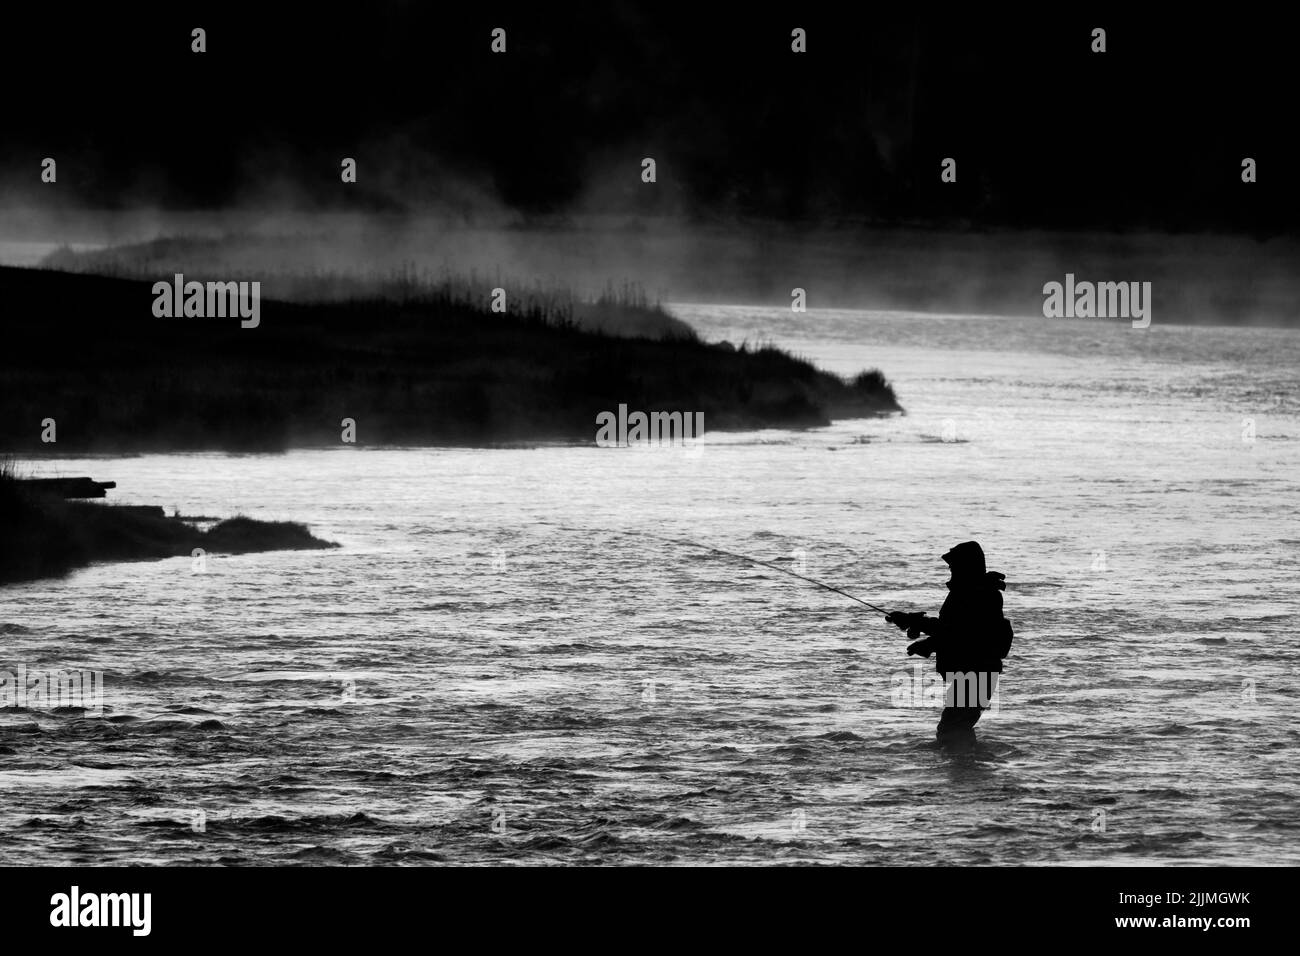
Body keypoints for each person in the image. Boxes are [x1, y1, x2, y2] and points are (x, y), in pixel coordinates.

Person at [886, 541, 1012, 746]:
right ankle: (969, 769)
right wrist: (916, 625)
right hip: (972, 674)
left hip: (977, 674)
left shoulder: (980, 594)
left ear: (967, 566)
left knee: (951, 731)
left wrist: (924, 639)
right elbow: (954, 630)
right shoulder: (970, 591)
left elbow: (961, 633)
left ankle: (967, 772)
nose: (951, 568)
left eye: (954, 565)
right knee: (955, 730)